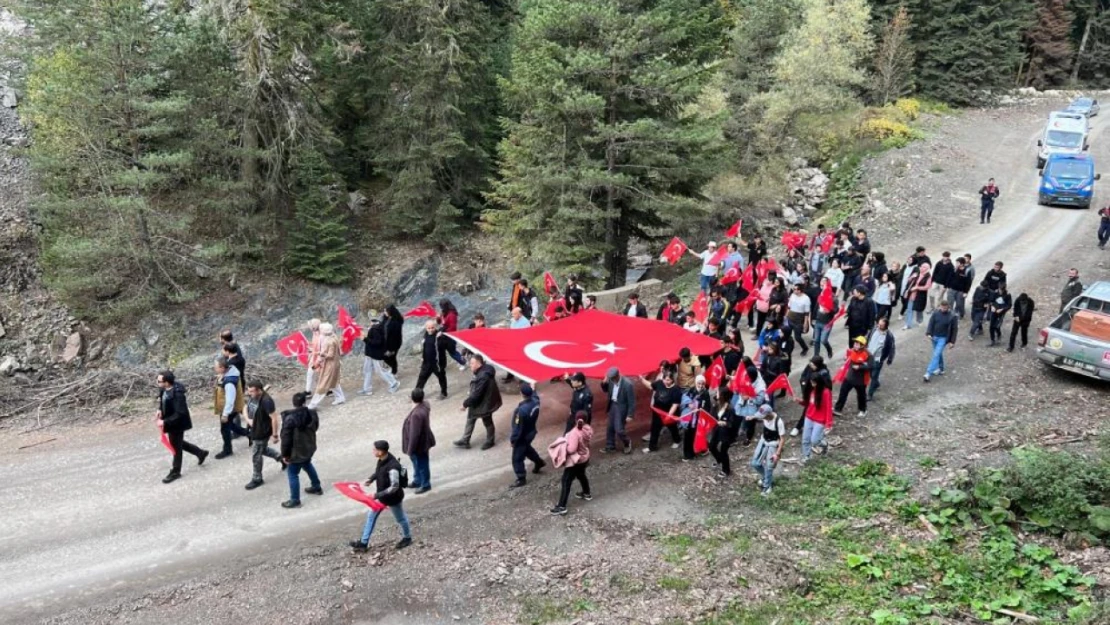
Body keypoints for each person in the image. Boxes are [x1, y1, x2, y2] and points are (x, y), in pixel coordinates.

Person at [350, 440, 412, 551]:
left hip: (393, 499)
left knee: (401, 519)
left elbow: (394, 487)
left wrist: (376, 495)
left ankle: (407, 538)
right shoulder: (383, 459)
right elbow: (379, 472)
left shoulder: (393, 468)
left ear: (381, 451)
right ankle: (363, 543)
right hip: (382, 497)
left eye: (374, 449)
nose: (372, 451)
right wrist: (371, 479)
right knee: (371, 516)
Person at [156, 370, 208, 483]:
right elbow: (161, 399)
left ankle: (176, 471)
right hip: (170, 421)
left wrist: (164, 422)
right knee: (177, 443)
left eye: (159, 381)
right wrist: (159, 409)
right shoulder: (163, 388)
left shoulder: (178, 394)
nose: (157, 383)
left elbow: (180, 413)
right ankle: (200, 453)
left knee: (175, 447)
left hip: (177, 423)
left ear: (167, 382)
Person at [280, 392, 323, 508]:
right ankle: (316, 486)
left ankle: (295, 499)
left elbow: (286, 439)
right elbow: (316, 427)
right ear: (305, 401)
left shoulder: (289, 418)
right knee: (307, 464)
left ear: (293, 403)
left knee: (293, 474)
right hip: (309, 446)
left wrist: (285, 454)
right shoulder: (312, 414)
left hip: (296, 451)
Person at [456, 353, 501, 449]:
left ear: (479, 364)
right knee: (471, 418)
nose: (470, 365)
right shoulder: (484, 371)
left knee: (487, 421)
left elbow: (477, 394)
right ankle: (465, 440)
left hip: (485, 403)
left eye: (472, 363)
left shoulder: (483, 376)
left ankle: (490, 441)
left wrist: (465, 404)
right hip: (481, 401)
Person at [244, 381, 283, 490]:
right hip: (255, 429)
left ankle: (257, 478)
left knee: (256, 455)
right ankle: (281, 458)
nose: (249, 393)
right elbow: (245, 407)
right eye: (248, 390)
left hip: (261, 431)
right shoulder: (254, 397)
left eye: (251, 391)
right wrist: (248, 419)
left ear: (259, 390)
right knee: (263, 450)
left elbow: (274, 418)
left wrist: (275, 435)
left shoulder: (267, 401)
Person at [551, 415, 593, 515]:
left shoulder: (575, 432)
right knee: (581, 475)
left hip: (576, 460)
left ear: (575, 419)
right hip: (584, 457)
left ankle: (562, 506)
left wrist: (565, 444)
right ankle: (586, 493)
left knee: (566, 480)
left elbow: (572, 449)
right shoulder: (588, 429)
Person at [509, 384, 546, 487]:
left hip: (522, 436)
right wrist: (533, 389)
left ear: (522, 394)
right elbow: (535, 395)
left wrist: (513, 440)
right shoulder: (535, 402)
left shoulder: (521, 411)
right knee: (527, 449)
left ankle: (521, 478)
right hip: (531, 432)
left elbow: (517, 428)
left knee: (517, 457)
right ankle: (539, 462)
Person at [213, 356, 249, 459]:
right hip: (230, 408)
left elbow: (230, 399)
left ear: (223, 368)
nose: (215, 369)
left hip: (229, 409)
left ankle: (227, 450)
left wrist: (225, 414)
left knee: (225, 429)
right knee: (230, 425)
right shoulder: (230, 372)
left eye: (216, 367)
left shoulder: (229, 382)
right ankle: (250, 434)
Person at [402, 388, 435, 494]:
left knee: (421, 464)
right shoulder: (425, 405)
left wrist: (410, 449)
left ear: (412, 398)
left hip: (419, 445)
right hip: (425, 441)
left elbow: (414, 434)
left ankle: (425, 484)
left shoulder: (416, 414)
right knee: (418, 463)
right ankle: (418, 480)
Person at [800, 356, 833, 462]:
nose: (812, 384)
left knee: (814, 440)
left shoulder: (826, 392)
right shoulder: (811, 390)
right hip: (809, 417)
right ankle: (807, 456)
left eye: (814, 383)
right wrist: (800, 401)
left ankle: (824, 444)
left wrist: (828, 423)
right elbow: (808, 403)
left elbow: (828, 408)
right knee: (805, 439)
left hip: (819, 420)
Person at [361, 312, 401, 396]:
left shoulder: (376, 329)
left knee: (381, 371)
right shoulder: (376, 328)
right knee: (367, 370)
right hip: (370, 354)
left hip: (376, 354)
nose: (370, 322)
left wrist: (365, 339)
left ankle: (394, 383)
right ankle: (367, 388)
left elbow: (377, 343)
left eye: (372, 320)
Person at [641, 370, 681, 452]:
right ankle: (652, 447)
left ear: (672, 380)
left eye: (668, 380)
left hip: (668, 412)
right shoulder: (659, 383)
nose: (666, 382)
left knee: (672, 427)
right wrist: (642, 379)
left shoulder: (676, 389)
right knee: (654, 428)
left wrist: (669, 415)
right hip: (657, 412)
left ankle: (677, 440)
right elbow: (650, 386)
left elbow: (675, 404)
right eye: (665, 380)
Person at [748, 405, 784, 496]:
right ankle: (766, 477)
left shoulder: (778, 422)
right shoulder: (764, 417)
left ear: (768, 414)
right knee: (755, 463)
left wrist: (777, 453)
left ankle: (767, 486)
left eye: (762, 416)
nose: (761, 418)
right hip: (763, 440)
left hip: (772, 444)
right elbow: (758, 416)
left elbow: (782, 439)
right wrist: (752, 417)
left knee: (769, 466)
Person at [834, 337, 873, 418]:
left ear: (863, 345)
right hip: (849, 377)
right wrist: (846, 358)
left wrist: (859, 367)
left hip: (861, 380)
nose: (855, 345)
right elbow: (849, 357)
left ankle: (863, 410)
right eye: (855, 343)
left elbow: (871, 366)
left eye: (857, 344)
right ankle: (837, 409)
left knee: (861, 395)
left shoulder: (868, 355)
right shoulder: (852, 350)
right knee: (843, 393)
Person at [307, 323, 344, 409]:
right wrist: (318, 353)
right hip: (334, 364)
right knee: (333, 382)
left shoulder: (329, 341)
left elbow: (330, 355)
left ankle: (312, 405)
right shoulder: (334, 337)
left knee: (323, 384)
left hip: (330, 365)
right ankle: (340, 397)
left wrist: (322, 354)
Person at [600, 367, 635, 454]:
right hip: (613, 405)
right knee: (610, 427)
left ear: (617, 376)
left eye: (612, 378)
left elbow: (631, 401)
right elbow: (605, 390)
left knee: (619, 429)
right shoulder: (611, 381)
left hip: (621, 407)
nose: (611, 380)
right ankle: (610, 446)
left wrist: (630, 415)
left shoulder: (628, 385)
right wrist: (604, 383)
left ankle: (627, 442)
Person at [924, 300, 958, 382]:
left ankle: (928, 373)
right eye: (942, 308)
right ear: (940, 306)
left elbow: (954, 330)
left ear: (948, 307)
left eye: (945, 308)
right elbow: (931, 323)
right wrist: (929, 333)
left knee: (936, 354)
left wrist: (952, 342)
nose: (943, 309)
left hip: (943, 338)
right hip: (934, 337)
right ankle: (941, 369)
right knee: (938, 353)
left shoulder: (952, 316)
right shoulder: (936, 313)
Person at [708, 388, 740, 477]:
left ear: (723, 396)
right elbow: (711, 416)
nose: (717, 394)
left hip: (727, 433)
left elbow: (733, 423)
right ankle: (719, 460)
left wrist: (725, 423)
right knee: (711, 446)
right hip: (717, 430)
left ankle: (726, 470)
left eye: (719, 393)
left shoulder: (731, 409)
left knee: (723, 451)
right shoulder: (716, 405)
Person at [415, 320, 449, 400]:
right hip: (427, 362)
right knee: (422, 377)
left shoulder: (439, 336)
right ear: (426, 328)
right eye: (429, 328)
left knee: (441, 377)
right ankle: (417, 393)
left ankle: (444, 393)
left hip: (437, 363)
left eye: (432, 328)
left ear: (435, 327)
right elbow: (425, 346)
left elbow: (445, 344)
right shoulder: (426, 334)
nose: (431, 330)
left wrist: (441, 336)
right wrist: (423, 357)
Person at [866, 318, 896, 401]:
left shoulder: (889, 336)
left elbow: (892, 348)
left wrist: (890, 358)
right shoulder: (874, 329)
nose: (878, 326)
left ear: (885, 326)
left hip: (878, 359)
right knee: (870, 373)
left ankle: (870, 394)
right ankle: (876, 383)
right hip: (869, 355)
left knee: (874, 375)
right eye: (878, 324)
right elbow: (868, 337)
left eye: (881, 325)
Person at [437, 299, 467, 369]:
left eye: (442, 306)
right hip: (444, 334)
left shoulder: (452, 315)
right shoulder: (444, 312)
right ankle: (442, 365)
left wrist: (442, 333)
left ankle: (463, 362)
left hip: (450, 336)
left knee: (452, 352)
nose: (441, 308)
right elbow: (439, 322)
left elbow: (452, 328)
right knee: (441, 351)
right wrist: (438, 317)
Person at [903, 262, 932, 330]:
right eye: (921, 266)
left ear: (927, 268)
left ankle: (920, 320)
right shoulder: (917, 274)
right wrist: (912, 277)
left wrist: (917, 288)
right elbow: (909, 281)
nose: (922, 268)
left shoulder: (928, 276)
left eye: (924, 267)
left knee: (919, 309)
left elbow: (927, 287)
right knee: (909, 309)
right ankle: (908, 324)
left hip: (920, 295)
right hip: (912, 294)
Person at [786, 283, 812, 356]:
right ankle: (788, 348)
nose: (793, 290)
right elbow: (789, 307)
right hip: (790, 317)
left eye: (795, 289)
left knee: (797, 337)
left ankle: (805, 348)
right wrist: (786, 315)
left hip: (799, 320)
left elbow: (807, 313)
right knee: (787, 334)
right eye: (793, 289)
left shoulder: (806, 299)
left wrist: (805, 323)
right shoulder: (792, 296)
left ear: (800, 290)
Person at [382, 305, 405, 375]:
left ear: (390, 312)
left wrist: (391, 348)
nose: (384, 312)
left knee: (390, 357)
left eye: (386, 311)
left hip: (393, 344)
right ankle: (394, 370)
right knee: (388, 357)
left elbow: (395, 336)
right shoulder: (386, 318)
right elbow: (382, 326)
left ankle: (394, 371)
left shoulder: (396, 322)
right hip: (386, 342)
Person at [304, 318, 322, 393]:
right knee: (311, 373)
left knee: (321, 374)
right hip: (315, 358)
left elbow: (322, 348)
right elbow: (315, 345)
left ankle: (328, 389)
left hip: (319, 358)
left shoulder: (321, 335)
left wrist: (313, 351)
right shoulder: (315, 334)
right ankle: (308, 390)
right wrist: (310, 345)